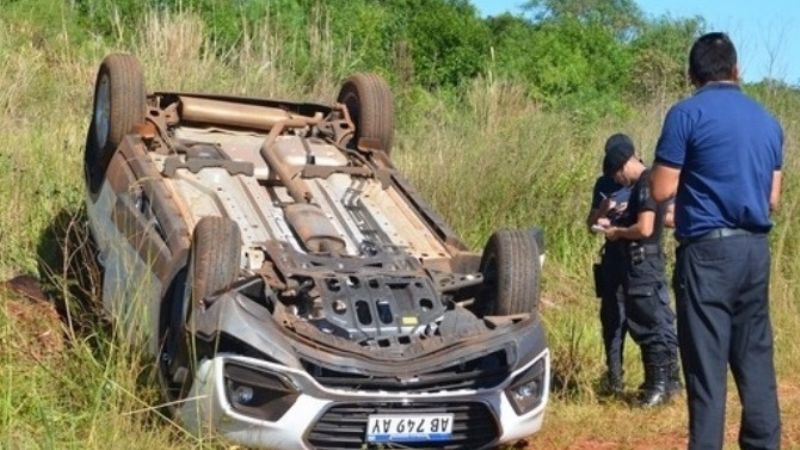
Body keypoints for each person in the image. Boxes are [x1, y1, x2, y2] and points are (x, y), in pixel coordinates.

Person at [650, 32, 782, 450]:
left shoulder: (686, 114)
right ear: (736, 70)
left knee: (706, 372)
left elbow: (660, 189)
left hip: (707, 255)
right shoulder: (768, 120)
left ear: (692, 74)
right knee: (755, 360)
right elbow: (772, 198)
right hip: (754, 250)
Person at [596, 139, 680, 407]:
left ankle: (659, 386)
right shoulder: (650, 182)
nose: (618, 181)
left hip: (643, 265)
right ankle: (665, 384)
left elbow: (645, 228)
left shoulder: (644, 184)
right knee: (655, 321)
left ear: (623, 166)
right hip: (642, 265)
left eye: (617, 175)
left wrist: (618, 231)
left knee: (651, 325)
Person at [586, 134, 633, 395]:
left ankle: (660, 379)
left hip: (638, 257)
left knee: (644, 318)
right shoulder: (603, 183)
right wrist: (601, 212)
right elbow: (590, 226)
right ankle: (615, 377)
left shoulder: (641, 181)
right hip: (612, 256)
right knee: (612, 317)